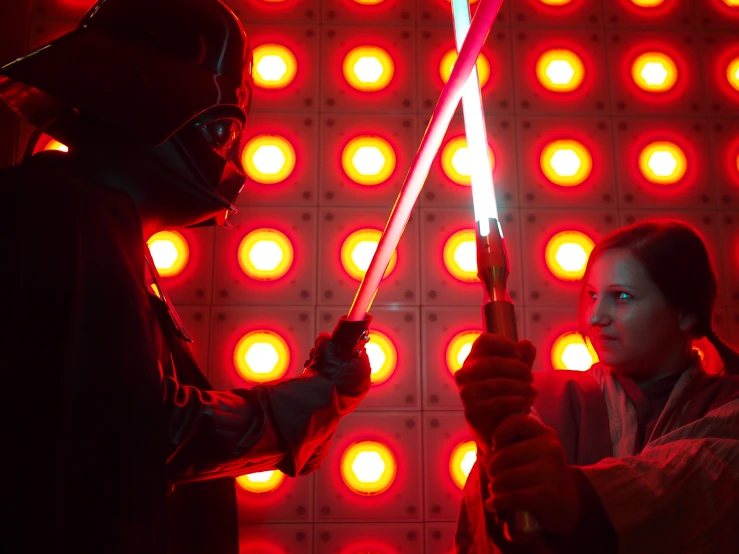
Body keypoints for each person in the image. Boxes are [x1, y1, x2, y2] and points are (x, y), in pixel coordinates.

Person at [0, 1, 371, 553]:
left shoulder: (92, 225)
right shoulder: (64, 211)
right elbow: (138, 428)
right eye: (221, 128)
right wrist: (312, 402)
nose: (227, 153)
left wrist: (316, 399)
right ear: (155, 102)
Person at [454, 219, 739, 553]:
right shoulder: (546, 398)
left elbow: (707, 483)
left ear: (686, 313)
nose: (595, 317)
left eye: (621, 296)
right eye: (591, 295)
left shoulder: (727, 406)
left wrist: (572, 498)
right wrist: (490, 446)